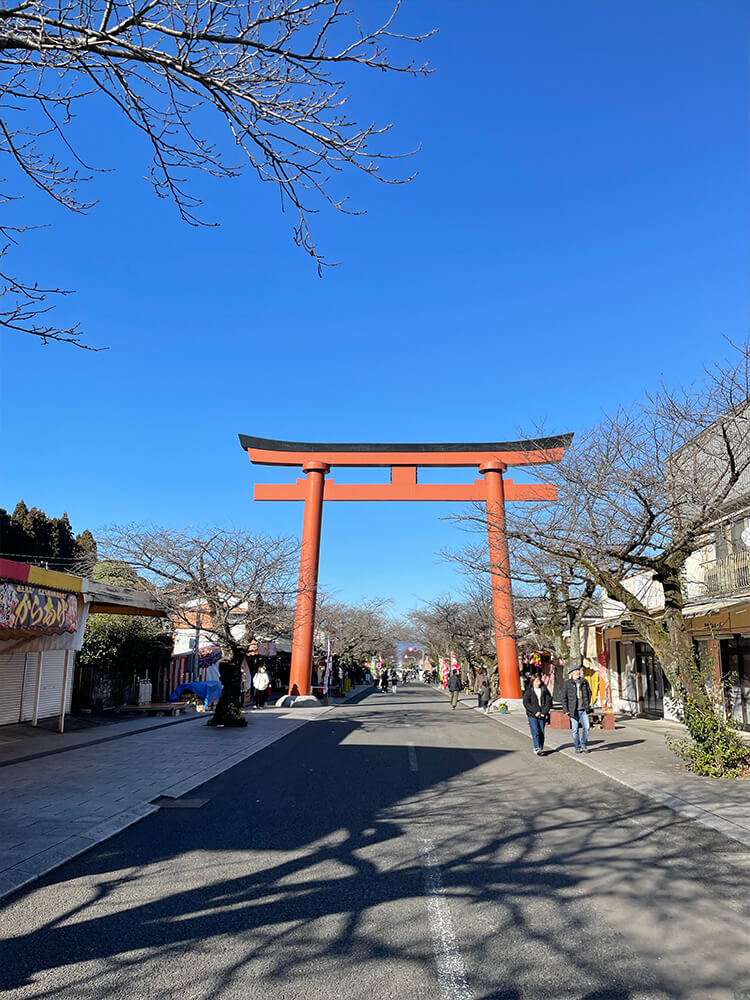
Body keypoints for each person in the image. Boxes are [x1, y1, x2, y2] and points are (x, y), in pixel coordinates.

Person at [562, 665, 593, 753]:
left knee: (586, 727)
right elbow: (564, 697)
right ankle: (577, 746)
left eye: (578, 670)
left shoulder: (584, 681)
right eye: (576, 671)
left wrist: (587, 703)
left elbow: (589, 693)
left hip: (583, 709)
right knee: (575, 730)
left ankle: (583, 744)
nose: (578, 672)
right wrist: (566, 710)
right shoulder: (567, 683)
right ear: (572, 673)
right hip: (573, 710)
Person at [522, 674, 553, 754]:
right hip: (532, 715)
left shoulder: (544, 690)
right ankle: (537, 747)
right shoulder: (529, 691)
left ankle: (540, 747)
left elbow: (548, 701)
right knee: (535, 731)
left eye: (538, 681)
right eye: (536, 681)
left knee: (541, 732)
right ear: (532, 682)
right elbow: (526, 703)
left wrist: (544, 712)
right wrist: (535, 711)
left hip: (542, 714)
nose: (538, 683)